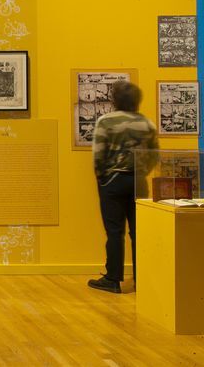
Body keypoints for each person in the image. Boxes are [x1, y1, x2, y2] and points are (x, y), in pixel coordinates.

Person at [88, 81, 158, 294]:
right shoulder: (146, 123)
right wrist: (142, 172)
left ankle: (113, 278)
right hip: (138, 181)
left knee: (114, 232)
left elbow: (99, 153)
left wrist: (103, 178)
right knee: (138, 233)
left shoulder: (106, 121)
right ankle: (142, 278)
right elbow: (155, 154)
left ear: (115, 100)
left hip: (114, 181)